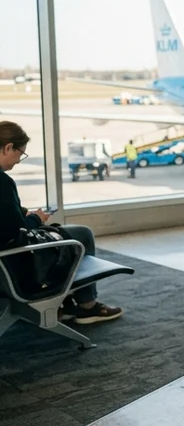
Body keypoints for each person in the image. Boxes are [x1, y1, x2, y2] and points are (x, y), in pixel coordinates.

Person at [0, 121, 123, 325]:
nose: (19, 160)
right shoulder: (2, 182)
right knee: (81, 235)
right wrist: (35, 219)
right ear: (8, 147)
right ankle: (87, 306)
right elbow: (14, 231)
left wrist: (18, 211)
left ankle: (63, 303)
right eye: (20, 154)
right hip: (11, 265)